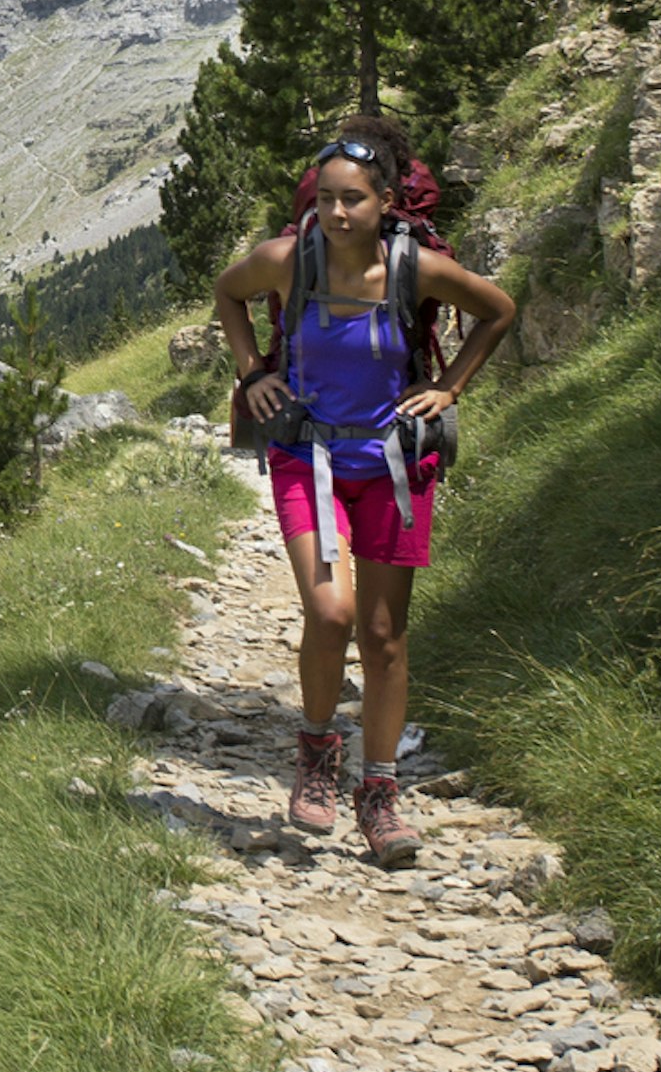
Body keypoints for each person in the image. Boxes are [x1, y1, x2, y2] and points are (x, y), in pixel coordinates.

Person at [210, 121, 516, 868]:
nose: (338, 214)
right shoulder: (289, 261)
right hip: (306, 454)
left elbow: (499, 311)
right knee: (332, 609)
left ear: (386, 202)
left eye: (355, 200)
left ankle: (378, 795)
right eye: (327, 200)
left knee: (382, 636)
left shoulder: (420, 270)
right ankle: (317, 753)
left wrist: (447, 388)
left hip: (393, 468)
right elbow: (229, 294)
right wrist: (254, 373)